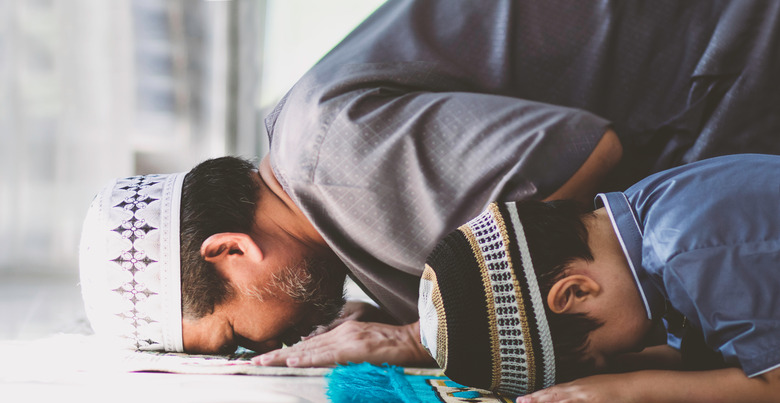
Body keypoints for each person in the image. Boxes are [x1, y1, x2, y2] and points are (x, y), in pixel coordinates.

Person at [80, 0, 780, 366]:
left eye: (235, 334)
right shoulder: (312, 170)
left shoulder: (338, 163)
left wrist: (426, 334)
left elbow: (584, 155)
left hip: (729, 52)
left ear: (229, 251)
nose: (262, 349)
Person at [416, 154, 780, 403]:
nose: (629, 354)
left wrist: (634, 391)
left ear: (576, 292)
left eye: (601, 356)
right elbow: (706, 351)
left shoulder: (683, 251)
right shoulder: (649, 213)